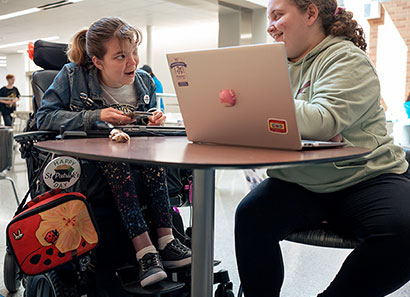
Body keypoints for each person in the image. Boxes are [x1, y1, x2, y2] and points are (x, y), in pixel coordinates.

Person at [234, 1, 410, 297]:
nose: (270, 26)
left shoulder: (346, 59)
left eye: (278, 15)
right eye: (269, 17)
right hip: (301, 180)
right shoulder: (275, 66)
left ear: (311, 14)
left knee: (405, 232)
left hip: (366, 176)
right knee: (251, 216)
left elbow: (322, 121)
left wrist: (258, 102)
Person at [36, 17, 191, 287]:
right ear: (97, 61)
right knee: (115, 162)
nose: (132, 62)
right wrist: (95, 116)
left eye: (133, 53)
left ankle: (166, 241)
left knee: (152, 158)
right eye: (120, 56)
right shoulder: (73, 76)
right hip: (94, 161)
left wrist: (151, 120)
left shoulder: (143, 81)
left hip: (137, 154)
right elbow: (45, 117)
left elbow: (144, 125)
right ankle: (145, 252)